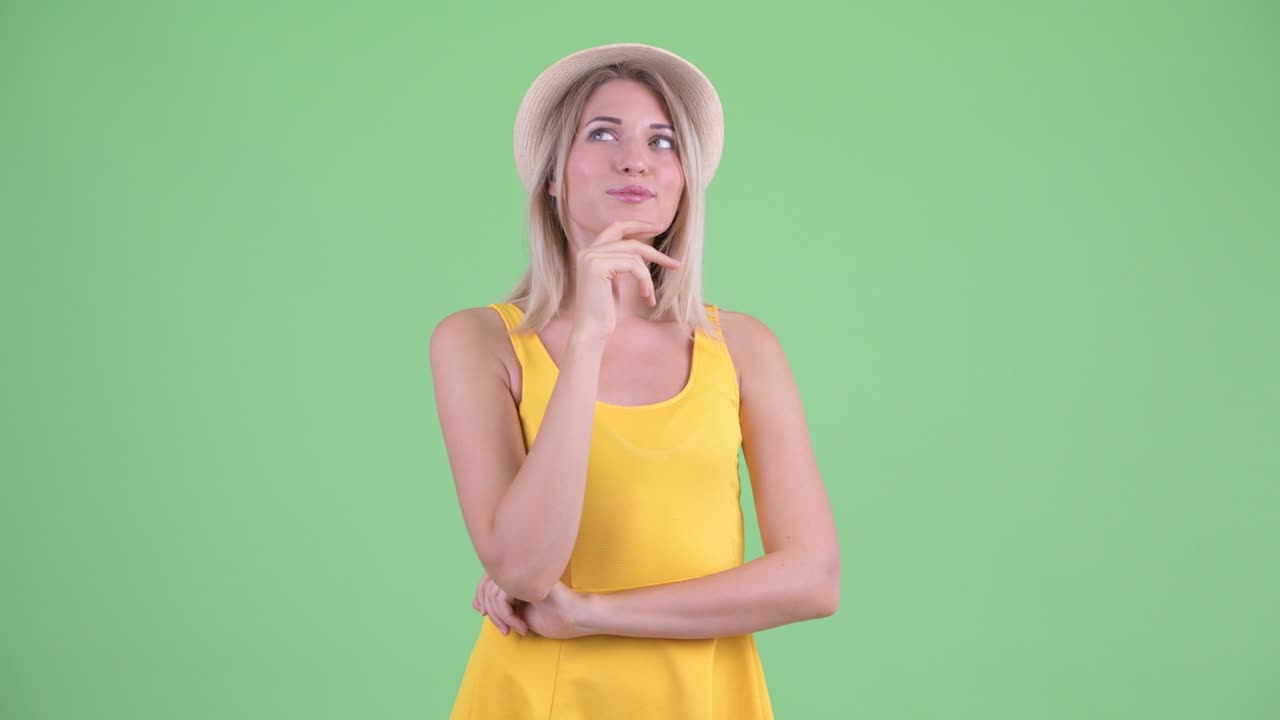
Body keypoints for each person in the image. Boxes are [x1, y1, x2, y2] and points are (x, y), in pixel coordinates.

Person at [429, 42, 840, 719]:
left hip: (706, 699)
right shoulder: (478, 342)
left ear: (685, 180)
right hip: (540, 699)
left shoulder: (741, 347)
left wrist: (591, 612)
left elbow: (812, 579)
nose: (636, 159)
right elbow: (526, 569)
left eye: (664, 141)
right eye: (602, 133)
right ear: (552, 175)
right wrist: (588, 336)